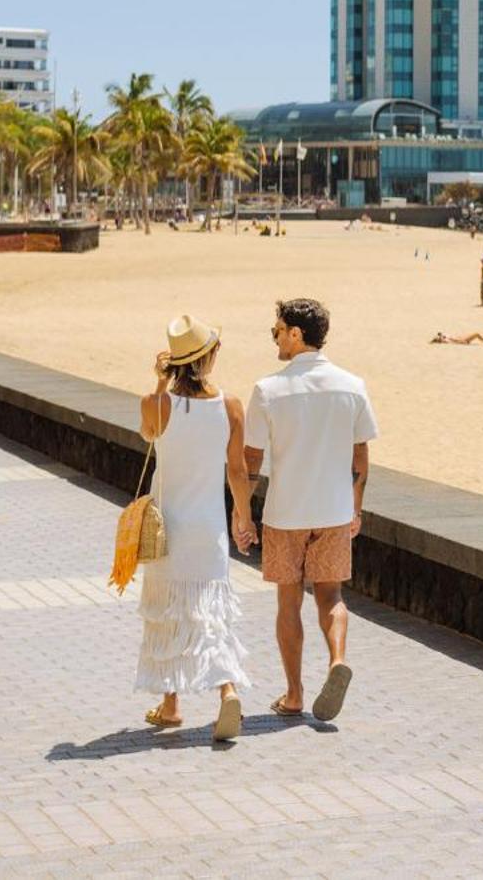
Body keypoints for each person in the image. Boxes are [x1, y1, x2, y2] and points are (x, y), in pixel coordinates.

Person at [245, 298, 378, 722]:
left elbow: (251, 460)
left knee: (289, 603)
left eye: (277, 331)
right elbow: (360, 460)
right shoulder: (352, 385)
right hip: (334, 511)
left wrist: (242, 513)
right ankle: (337, 660)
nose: (276, 338)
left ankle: (295, 694)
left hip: (286, 513)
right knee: (331, 596)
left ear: (296, 334)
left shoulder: (269, 389)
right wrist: (355, 507)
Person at [136, 315, 255, 741]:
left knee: (168, 611)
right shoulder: (230, 406)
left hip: (168, 526)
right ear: (210, 357)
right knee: (211, 614)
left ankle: (171, 705)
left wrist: (158, 385)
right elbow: (237, 472)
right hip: (209, 527)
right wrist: (244, 517)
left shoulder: (157, 405)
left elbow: (150, 433)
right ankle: (226, 691)